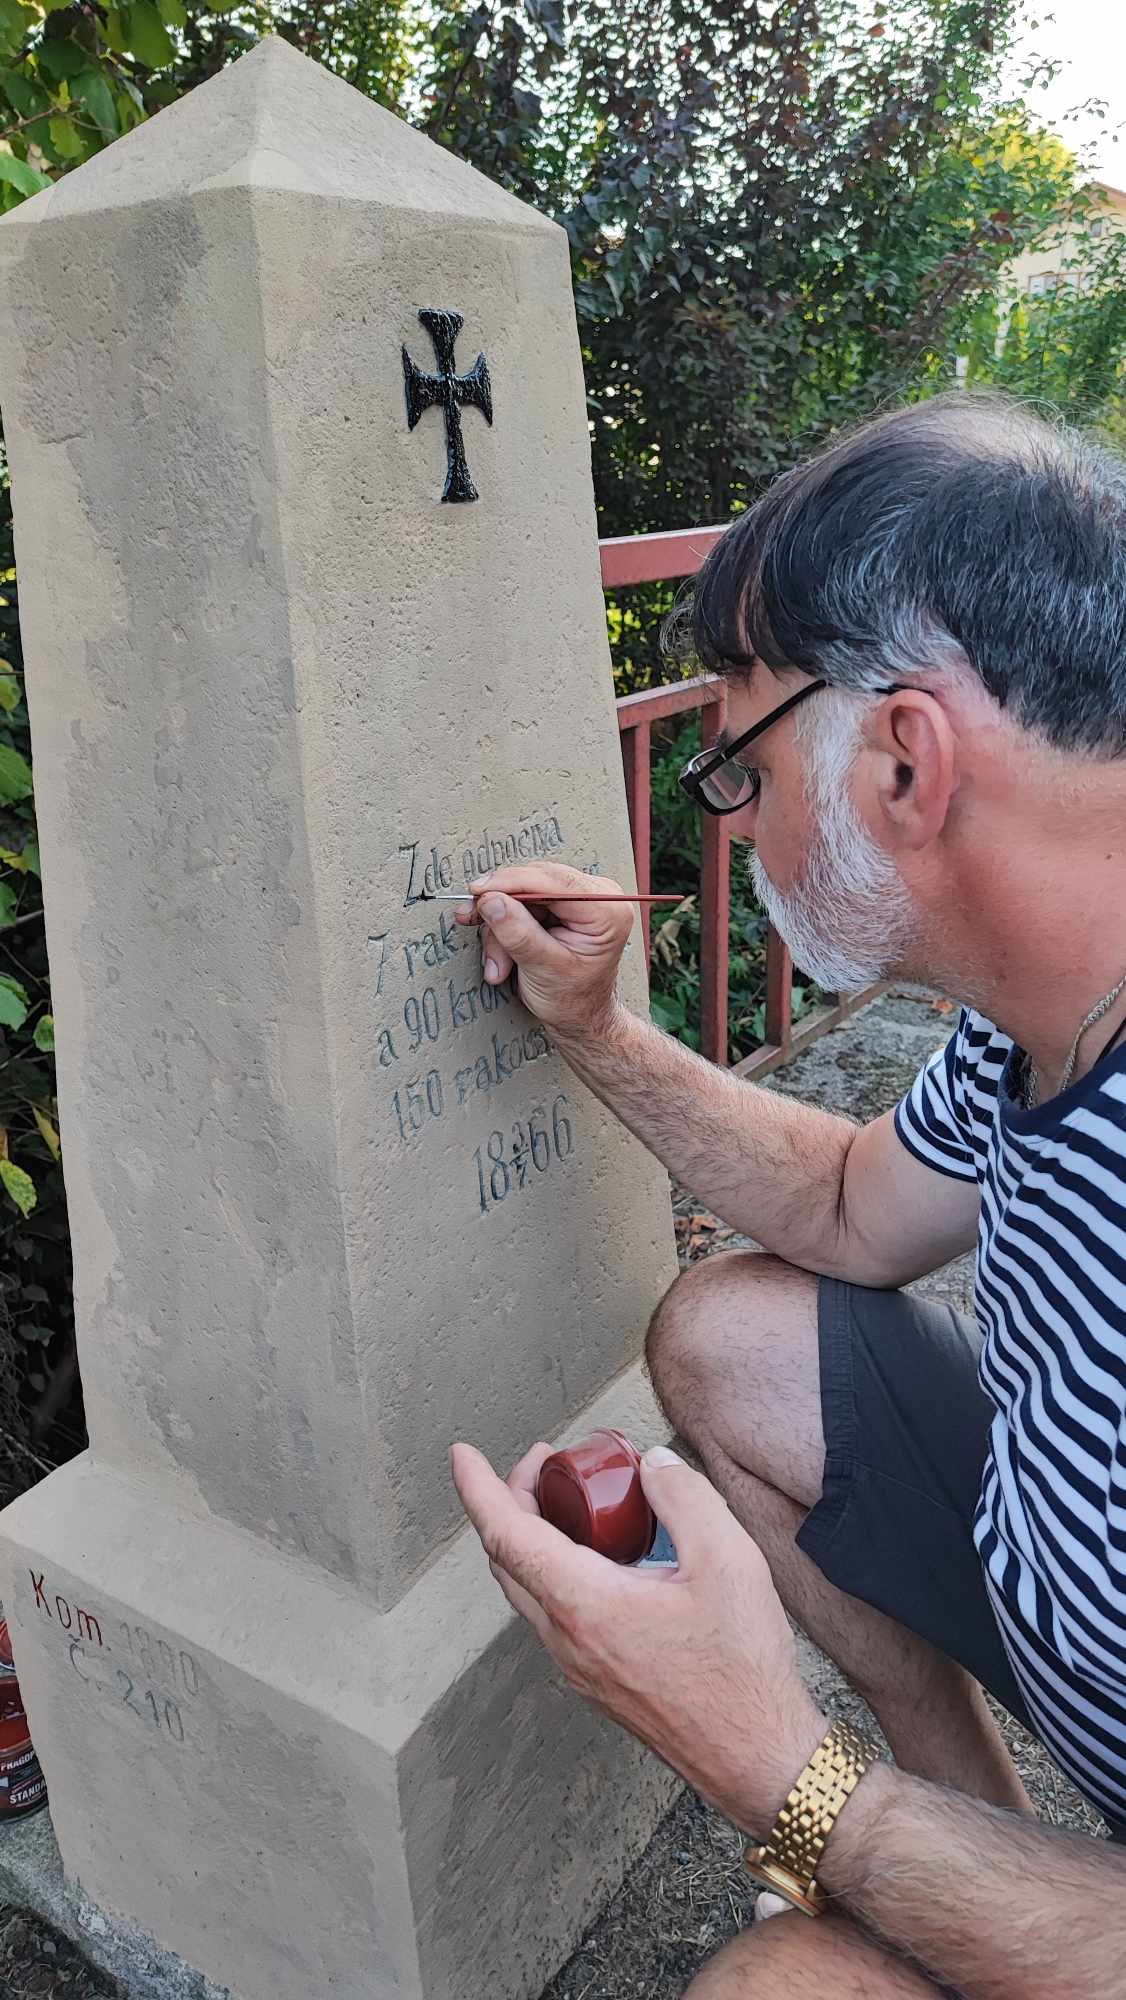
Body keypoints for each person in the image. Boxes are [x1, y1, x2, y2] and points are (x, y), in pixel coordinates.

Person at [450, 392, 1126, 1997]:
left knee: (776, 1992)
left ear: (904, 758)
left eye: (738, 763)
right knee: (735, 1328)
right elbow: (841, 1204)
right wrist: (595, 1029)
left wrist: (780, 1772)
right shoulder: (1044, 1010)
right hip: (1068, 1598)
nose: (734, 815)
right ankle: (981, 1839)